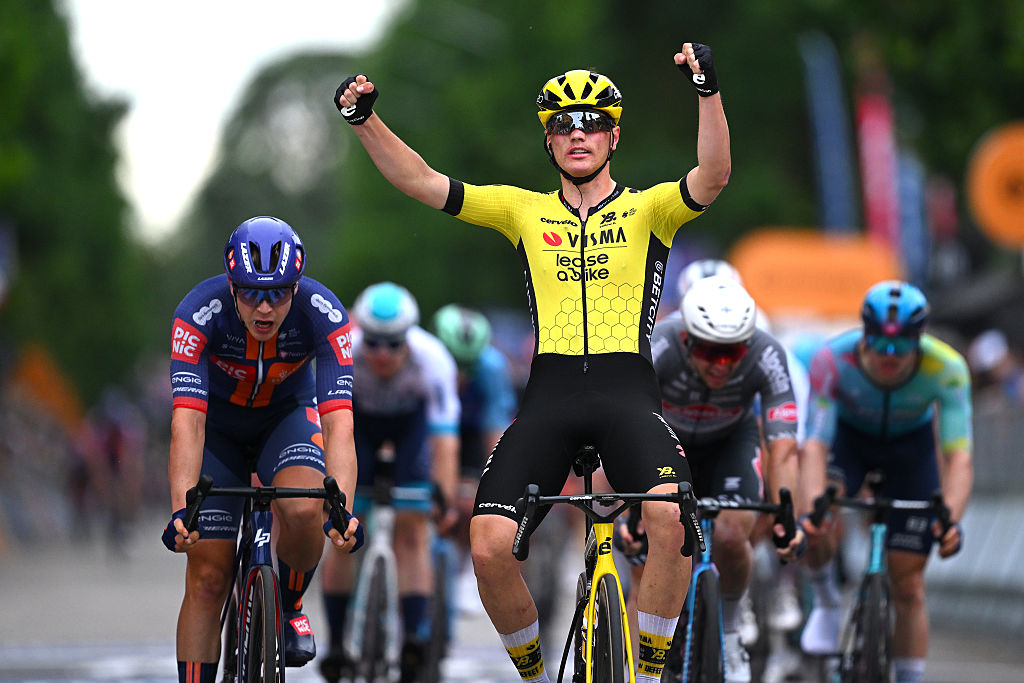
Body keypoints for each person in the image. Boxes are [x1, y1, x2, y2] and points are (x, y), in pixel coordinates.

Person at [334, 40, 731, 683]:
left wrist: (707, 91)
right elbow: (424, 183)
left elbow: (712, 177)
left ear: (613, 135)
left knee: (671, 521)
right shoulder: (524, 210)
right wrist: (366, 121)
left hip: (627, 393)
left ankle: (652, 669)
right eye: (562, 125)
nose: (578, 134)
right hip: (548, 398)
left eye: (592, 122)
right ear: (548, 140)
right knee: (488, 546)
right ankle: (535, 674)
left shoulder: (649, 209)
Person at [161, 216, 362, 683]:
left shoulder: (324, 314)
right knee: (208, 579)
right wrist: (180, 511)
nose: (265, 308)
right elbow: (187, 421)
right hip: (217, 431)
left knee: (303, 510)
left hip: (286, 420)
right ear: (231, 287)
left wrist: (343, 508)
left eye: (279, 292)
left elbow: (339, 423)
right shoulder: (197, 312)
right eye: (251, 293)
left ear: (298, 286)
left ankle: (290, 605)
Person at [618, 275, 804, 682]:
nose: (721, 365)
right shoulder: (659, 345)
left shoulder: (767, 353)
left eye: (732, 354)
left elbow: (784, 447)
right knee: (646, 554)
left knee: (734, 536)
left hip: (730, 444)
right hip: (664, 442)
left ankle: (732, 629)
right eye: (709, 353)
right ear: (687, 340)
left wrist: (788, 514)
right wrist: (632, 509)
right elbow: (627, 431)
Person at [799, 280, 971, 683]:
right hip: (849, 443)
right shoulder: (832, 360)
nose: (889, 355)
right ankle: (826, 600)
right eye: (880, 344)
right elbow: (814, 447)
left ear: (920, 339)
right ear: (864, 334)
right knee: (820, 516)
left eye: (902, 346)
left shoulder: (947, 369)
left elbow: (958, 456)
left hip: (910, 453)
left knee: (910, 586)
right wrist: (812, 508)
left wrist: (951, 520)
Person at [319, 282, 461, 682]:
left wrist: (444, 499)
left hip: (410, 428)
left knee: (414, 529)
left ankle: (413, 637)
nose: (383, 354)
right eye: (375, 343)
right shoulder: (344, 350)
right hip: (357, 426)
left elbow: (444, 439)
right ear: (362, 333)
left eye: (394, 344)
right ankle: (334, 642)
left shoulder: (433, 359)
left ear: (409, 338)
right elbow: (328, 428)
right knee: (343, 529)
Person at [432, 303, 518, 615]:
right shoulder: (428, 362)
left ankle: (464, 569)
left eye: (469, 365)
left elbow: (495, 435)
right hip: (432, 430)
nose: (461, 374)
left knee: (470, 503)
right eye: (456, 364)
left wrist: (489, 489)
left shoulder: (492, 370)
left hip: (470, 433)